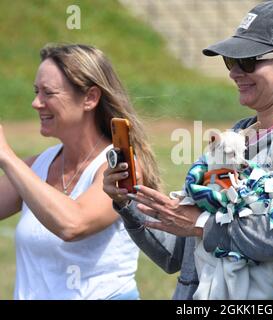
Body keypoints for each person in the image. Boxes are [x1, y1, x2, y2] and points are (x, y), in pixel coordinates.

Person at [104, 0, 273, 300]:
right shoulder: (234, 137)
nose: (235, 72)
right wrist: (127, 202)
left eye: (249, 61)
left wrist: (202, 225)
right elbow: (175, 255)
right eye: (231, 61)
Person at [0, 43, 161, 299]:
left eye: (48, 93)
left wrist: (5, 155)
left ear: (90, 98)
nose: (35, 103)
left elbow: (73, 224)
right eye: (35, 92)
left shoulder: (120, 168)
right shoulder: (37, 166)